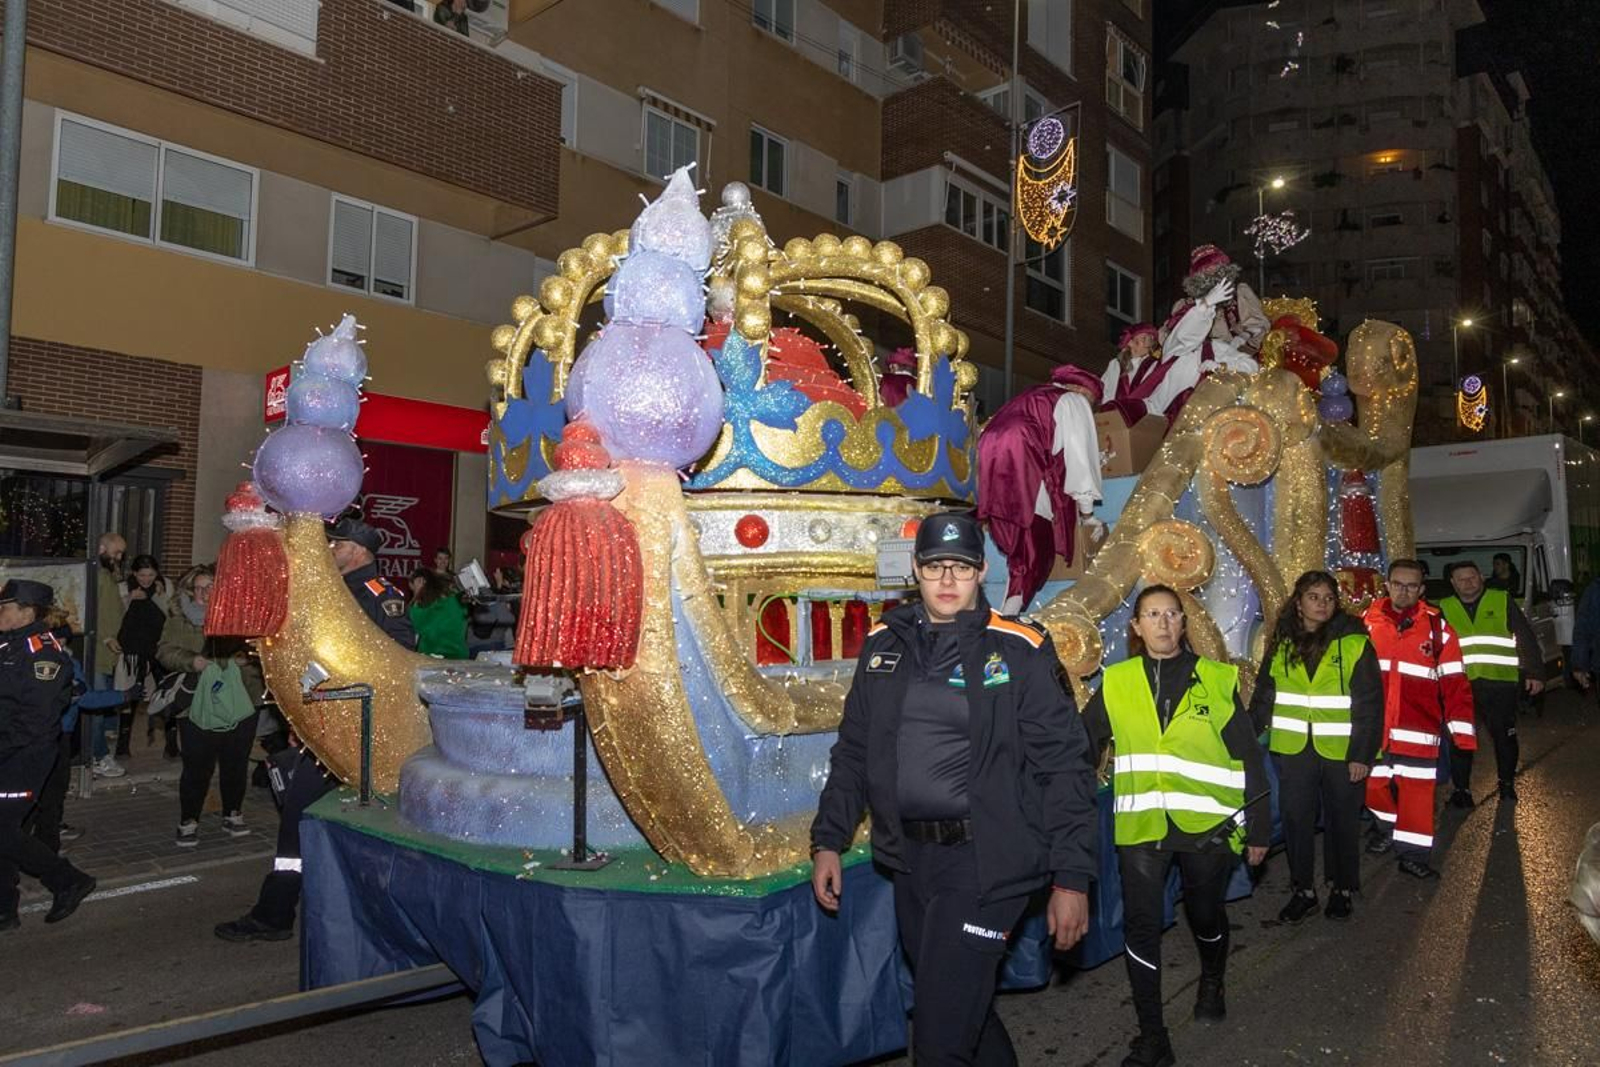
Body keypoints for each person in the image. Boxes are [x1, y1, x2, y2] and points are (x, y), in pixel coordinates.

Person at [810, 511, 1097, 1067]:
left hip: (987, 864)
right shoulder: (883, 644)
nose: (947, 579)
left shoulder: (1018, 647)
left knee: (939, 1042)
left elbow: (1065, 767)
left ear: (981, 571)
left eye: (961, 567)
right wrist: (829, 839)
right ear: (915, 570)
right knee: (966, 1014)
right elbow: (854, 750)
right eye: (935, 566)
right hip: (911, 863)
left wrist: (1072, 877)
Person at [1082, 585, 1268, 1067]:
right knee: (1141, 927)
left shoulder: (1217, 679)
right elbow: (1081, 745)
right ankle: (1153, 1036)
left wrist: (1259, 828)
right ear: (1136, 627)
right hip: (1143, 825)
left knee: (1204, 915)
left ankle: (1212, 977)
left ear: (1183, 623)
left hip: (1207, 826)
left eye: (1171, 614)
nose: (1163, 623)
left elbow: (1248, 756)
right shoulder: (1117, 682)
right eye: (1152, 614)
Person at [215, 518, 415, 943]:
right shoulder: (335, 593)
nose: (330, 550)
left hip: (361, 730)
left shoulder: (378, 594)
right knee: (306, 816)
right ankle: (284, 910)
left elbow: (397, 658)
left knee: (312, 816)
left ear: (358, 551)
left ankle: (281, 914)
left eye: (337, 544)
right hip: (329, 725)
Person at [1249, 571, 1383, 923]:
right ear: (1299, 603)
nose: (1322, 604)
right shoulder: (1282, 643)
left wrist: (1361, 755)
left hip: (1342, 752)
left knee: (1342, 820)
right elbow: (1264, 695)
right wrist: (1246, 740)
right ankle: (1303, 891)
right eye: (1314, 597)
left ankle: (1342, 888)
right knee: (1296, 819)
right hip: (1294, 750)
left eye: (1328, 598)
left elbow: (1370, 704)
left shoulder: (1354, 642)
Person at [1361, 559, 1475, 879]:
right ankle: (1389, 827)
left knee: (1417, 799)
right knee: (1370, 786)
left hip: (1418, 730)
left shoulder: (1438, 629)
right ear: (1387, 585)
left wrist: (1462, 732)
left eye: (1411, 586)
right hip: (1373, 730)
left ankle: (1413, 857)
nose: (1404, 591)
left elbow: (1455, 682)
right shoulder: (1363, 625)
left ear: (1421, 589)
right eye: (1398, 584)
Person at [0, 580, 98, 931]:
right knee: (5, 830)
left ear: (26, 612)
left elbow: (36, 722)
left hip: (25, 756)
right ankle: (4, 909)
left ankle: (68, 880)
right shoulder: (9, 643)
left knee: (3, 830)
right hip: (8, 750)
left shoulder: (43, 654)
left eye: (4, 608)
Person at [976, 363, 1107, 614]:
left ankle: (1005, 611)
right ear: (1083, 390)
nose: (1090, 408)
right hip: (1023, 455)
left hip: (989, 456)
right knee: (1038, 549)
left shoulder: (1030, 395)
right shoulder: (1074, 401)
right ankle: (1008, 619)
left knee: (1019, 553)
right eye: (1092, 402)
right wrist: (1087, 512)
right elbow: (1080, 454)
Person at [160, 565, 266, 847]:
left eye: (211, 587)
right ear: (190, 591)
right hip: (196, 701)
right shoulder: (180, 618)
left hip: (242, 699)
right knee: (197, 765)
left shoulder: (242, 616)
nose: (205, 593)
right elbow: (164, 651)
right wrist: (191, 660)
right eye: (199, 588)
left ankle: (233, 813)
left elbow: (265, 648)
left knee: (236, 761)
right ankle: (189, 820)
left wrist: (248, 658)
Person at [1437, 561, 1543, 804]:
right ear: (1453, 583)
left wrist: (1535, 673)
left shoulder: (1501, 600)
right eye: (1461, 579)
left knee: (1504, 737)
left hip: (1500, 683)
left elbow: (1525, 637)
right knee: (1460, 739)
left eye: (1472, 577)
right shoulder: (1443, 607)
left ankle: (1507, 784)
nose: (1468, 582)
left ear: (1481, 577)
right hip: (1460, 685)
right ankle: (1462, 790)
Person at [1159, 245, 1269, 376]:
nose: (1212, 271)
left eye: (1216, 265)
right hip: (1196, 363)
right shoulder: (1185, 306)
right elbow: (1171, 337)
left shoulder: (1240, 293)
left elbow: (1259, 325)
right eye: (1206, 268)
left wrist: (1242, 338)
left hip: (1236, 360)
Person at [115, 553, 170, 759]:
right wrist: (129, 598)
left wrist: (158, 595)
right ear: (134, 573)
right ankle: (123, 744)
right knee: (130, 697)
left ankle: (171, 743)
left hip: (158, 650)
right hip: (131, 652)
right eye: (142, 575)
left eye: (150, 575)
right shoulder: (123, 588)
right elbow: (114, 616)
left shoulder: (164, 587)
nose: (146, 579)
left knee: (167, 694)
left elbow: (170, 614)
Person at [1098, 323, 1198, 427]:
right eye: (1143, 338)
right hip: (1112, 417)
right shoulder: (1116, 364)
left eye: (1150, 339)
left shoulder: (1154, 364)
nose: (1148, 342)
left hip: (1140, 419)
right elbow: (1106, 391)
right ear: (1130, 342)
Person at [88, 532, 129, 777]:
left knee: (100, 706)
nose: (120, 557)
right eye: (117, 552)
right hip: (98, 652)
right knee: (97, 706)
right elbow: (93, 612)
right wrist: (105, 637)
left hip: (105, 651)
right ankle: (97, 756)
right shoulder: (97, 576)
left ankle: (96, 754)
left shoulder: (107, 575)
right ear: (102, 548)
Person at [409, 569, 468, 659]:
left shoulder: (421, 608)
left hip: (431, 657)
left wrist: (417, 598)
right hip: (458, 656)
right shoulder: (456, 600)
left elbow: (415, 627)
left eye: (414, 588)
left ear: (420, 581)